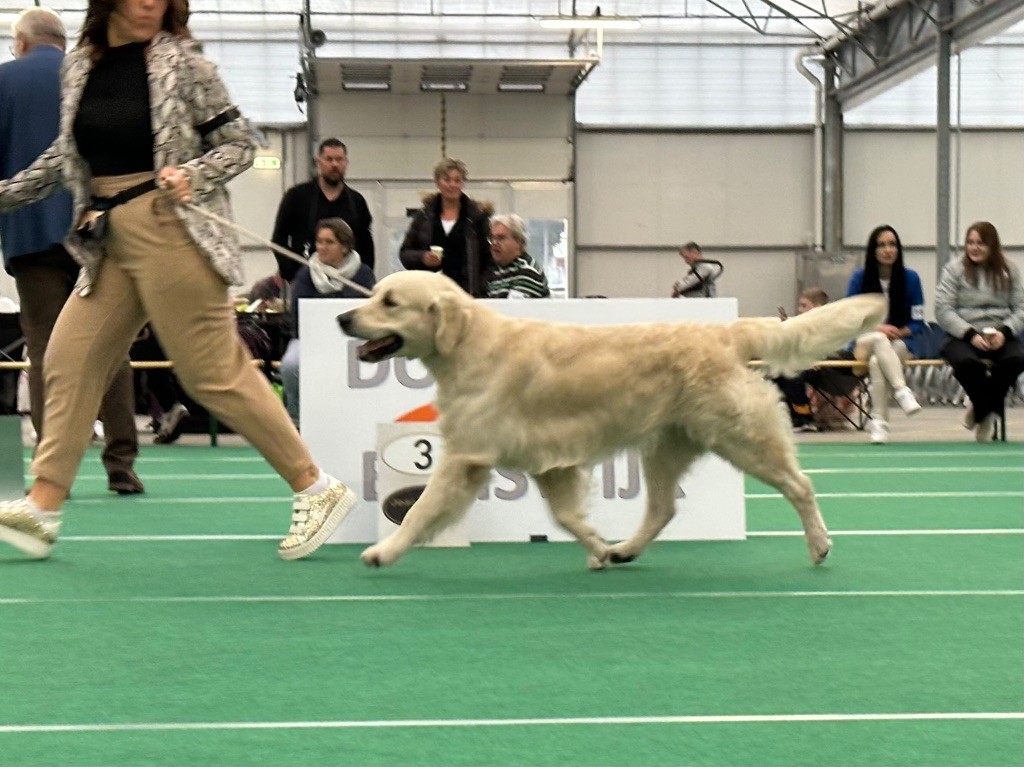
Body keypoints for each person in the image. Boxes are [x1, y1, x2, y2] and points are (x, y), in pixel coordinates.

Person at [0, 0, 356, 562]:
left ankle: (316, 485)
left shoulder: (186, 64)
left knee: (210, 371)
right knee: (70, 358)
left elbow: (241, 142)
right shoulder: (79, 66)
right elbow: (64, 160)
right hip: (109, 236)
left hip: (173, 229)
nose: (150, 5)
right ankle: (43, 506)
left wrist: (191, 173)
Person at [0, 7, 143, 494]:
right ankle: (121, 462)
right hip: (102, 228)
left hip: (30, 232)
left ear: (20, 43)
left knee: (45, 350)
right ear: (63, 41)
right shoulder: (97, 73)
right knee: (111, 344)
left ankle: (50, 470)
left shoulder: (5, 81)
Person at [279, 218, 375, 428]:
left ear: (344, 246)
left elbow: (367, 308)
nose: (321, 247)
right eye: (319, 241)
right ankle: (296, 418)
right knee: (290, 365)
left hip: (352, 340)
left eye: (328, 242)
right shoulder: (306, 273)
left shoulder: (363, 273)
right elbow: (298, 312)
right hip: (309, 338)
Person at [935, 221, 1024, 442]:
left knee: (1017, 358)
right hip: (963, 335)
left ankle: (979, 411)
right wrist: (970, 335)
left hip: (1000, 334)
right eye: (970, 243)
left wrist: (1004, 332)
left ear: (992, 246)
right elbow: (943, 310)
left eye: (981, 243)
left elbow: (1021, 308)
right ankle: (987, 413)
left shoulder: (1010, 271)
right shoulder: (953, 270)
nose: (974, 248)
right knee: (965, 363)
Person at [845, 225, 923, 444]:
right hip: (864, 340)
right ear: (873, 250)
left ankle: (879, 423)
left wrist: (899, 332)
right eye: (882, 245)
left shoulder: (912, 279)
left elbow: (917, 322)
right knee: (879, 340)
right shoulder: (859, 278)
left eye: (892, 244)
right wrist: (879, 329)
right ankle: (901, 391)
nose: (888, 250)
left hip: (899, 342)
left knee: (878, 362)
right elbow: (850, 318)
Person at [270, 138, 374, 280]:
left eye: (339, 159)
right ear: (318, 162)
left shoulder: (357, 201)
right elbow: (278, 240)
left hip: (350, 281)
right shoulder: (296, 196)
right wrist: (293, 276)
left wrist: (364, 277)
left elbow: (366, 244)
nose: (334, 164)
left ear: (346, 163)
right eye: (329, 159)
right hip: (306, 280)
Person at [399, 157, 492, 297]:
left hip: (467, 295)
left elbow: (489, 259)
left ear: (463, 183)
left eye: (457, 180)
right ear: (437, 182)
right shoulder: (423, 216)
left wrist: (480, 288)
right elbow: (405, 253)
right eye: (447, 180)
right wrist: (423, 258)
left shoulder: (477, 218)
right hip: (431, 294)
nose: (452, 185)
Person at [484, 214, 550, 299]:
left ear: (519, 242)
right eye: (492, 238)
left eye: (501, 238)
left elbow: (511, 309)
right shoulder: (496, 271)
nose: (494, 243)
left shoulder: (526, 271)